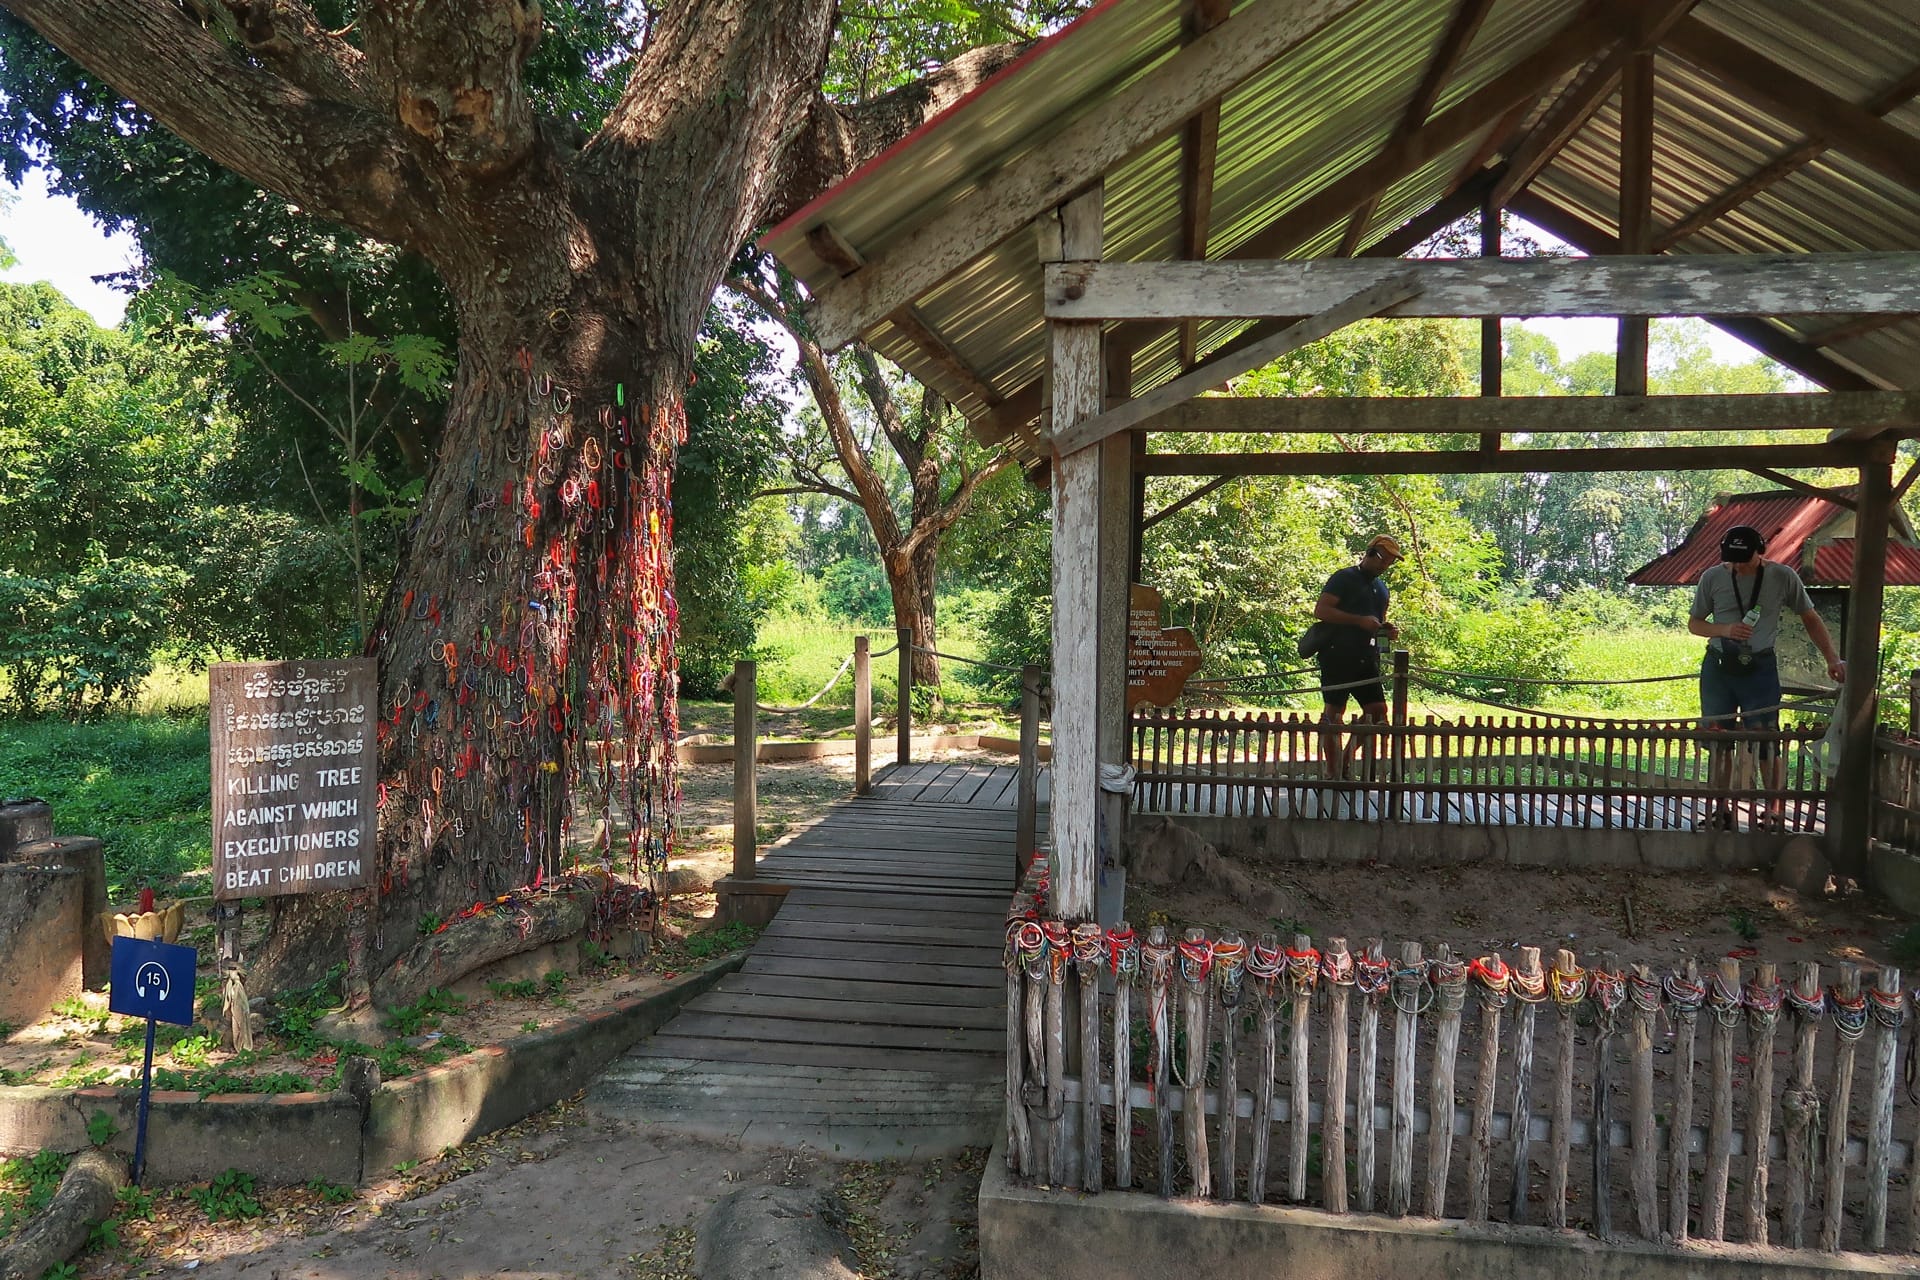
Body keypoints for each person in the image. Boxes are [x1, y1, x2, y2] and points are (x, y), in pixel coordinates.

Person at [1688, 523, 1846, 829]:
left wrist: (1831, 658)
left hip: (1759, 668)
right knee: (1718, 739)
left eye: (1744, 557)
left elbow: (1810, 618)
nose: (1737, 564)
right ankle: (1720, 808)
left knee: (1767, 740)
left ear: (1761, 552)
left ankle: (1773, 808)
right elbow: (1695, 624)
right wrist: (1725, 630)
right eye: (1731, 558)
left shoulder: (1783, 576)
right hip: (1719, 667)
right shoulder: (1713, 577)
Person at [1313, 534, 1402, 778]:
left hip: (1367, 657)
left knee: (1377, 712)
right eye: (1383, 559)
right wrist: (1358, 621)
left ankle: (1346, 758)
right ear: (1370, 552)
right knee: (1334, 714)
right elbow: (1321, 610)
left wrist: (1386, 634)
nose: (1385, 565)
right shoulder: (1344, 577)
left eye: (1391, 562)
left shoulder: (1382, 588)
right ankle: (1333, 772)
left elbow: (1377, 622)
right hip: (1337, 654)